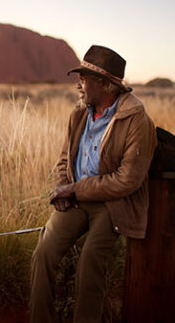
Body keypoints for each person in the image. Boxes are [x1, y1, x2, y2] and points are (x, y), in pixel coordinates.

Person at [29, 45, 157, 323]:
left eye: (84, 78)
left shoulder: (137, 120)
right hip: (76, 199)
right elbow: (64, 159)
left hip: (113, 205)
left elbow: (128, 180)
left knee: (90, 262)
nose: (79, 83)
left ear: (105, 84)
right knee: (44, 254)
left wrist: (75, 189)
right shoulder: (79, 114)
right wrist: (62, 186)